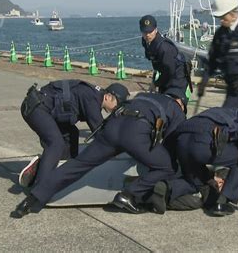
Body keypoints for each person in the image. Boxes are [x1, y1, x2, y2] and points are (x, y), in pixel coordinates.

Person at [11, 92, 187, 218]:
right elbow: (173, 142)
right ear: (180, 102)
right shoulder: (176, 109)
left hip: (112, 128)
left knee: (79, 164)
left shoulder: (144, 95)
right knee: (168, 166)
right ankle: (129, 195)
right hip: (136, 134)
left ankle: (31, 200)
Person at [154, 98, 238, 216]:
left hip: (181, 140)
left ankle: (167, 187)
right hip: (201, 143)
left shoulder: (222, 112)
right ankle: (222, 201)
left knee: (197, 182)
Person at [18, 79, 130, 188]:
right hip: (35, 108)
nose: (117, 109)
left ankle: (56, 171)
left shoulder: (95, 95)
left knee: (72, 134)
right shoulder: (92, 99)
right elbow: (101, 134)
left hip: (47, 110)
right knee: (56, 144)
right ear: (108, 97)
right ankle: (41, 185)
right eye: (118, 105)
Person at [140, 15, 191, 102]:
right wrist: (154, 82)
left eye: (150, 31)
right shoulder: (146, 42)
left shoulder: (164, 47)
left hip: (177, 77)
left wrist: (156, 83)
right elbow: (155, 64)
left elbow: (170, 71)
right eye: (145, 32)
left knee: (173, 107)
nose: (147, 35)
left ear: (156, 29)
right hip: (165, 74)